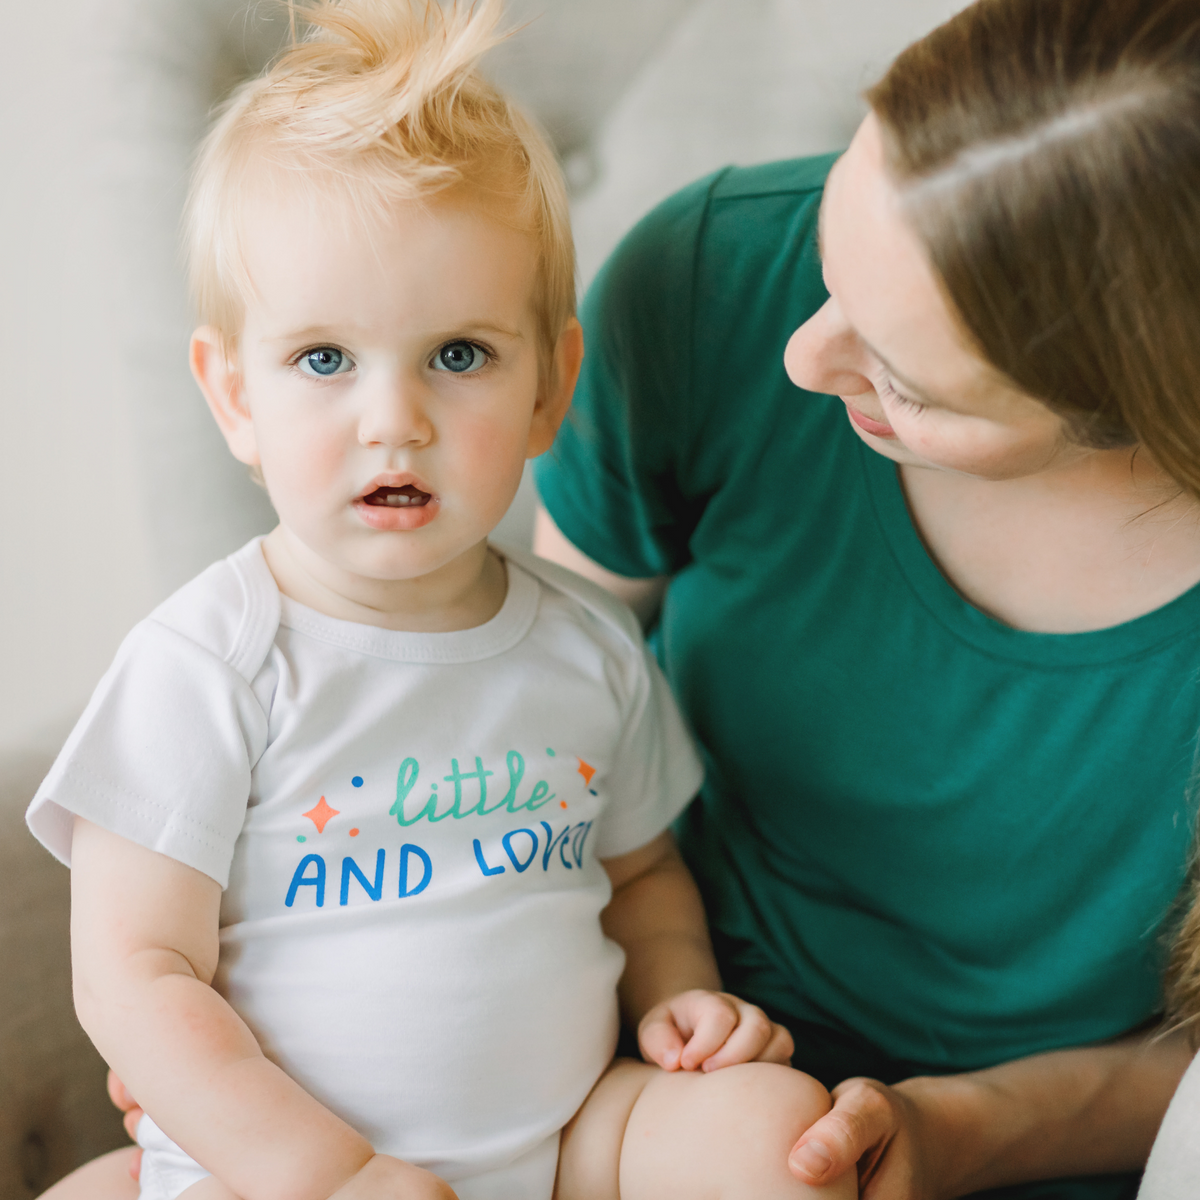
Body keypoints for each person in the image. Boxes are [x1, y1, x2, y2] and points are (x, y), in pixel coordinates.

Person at [26, 3, 851, 1199]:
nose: (393, 419)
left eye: (459, 355)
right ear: (233, 395)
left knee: (773, 1134)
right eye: (323, 360)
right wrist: (334, 1173)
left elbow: (640, 875)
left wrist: (680, 1001)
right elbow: (132, 977)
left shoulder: (588, 643)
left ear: (550, 387)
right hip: (281, 1174)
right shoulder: (209, 662)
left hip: (566, 1145)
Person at [530, 0, 1200, 1197]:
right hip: (673, 1064)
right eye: (834, 249)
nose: (801, 357)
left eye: (902, 381)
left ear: (1142, 419)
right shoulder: (711, 279)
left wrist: (959, 1133)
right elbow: (518, 708)